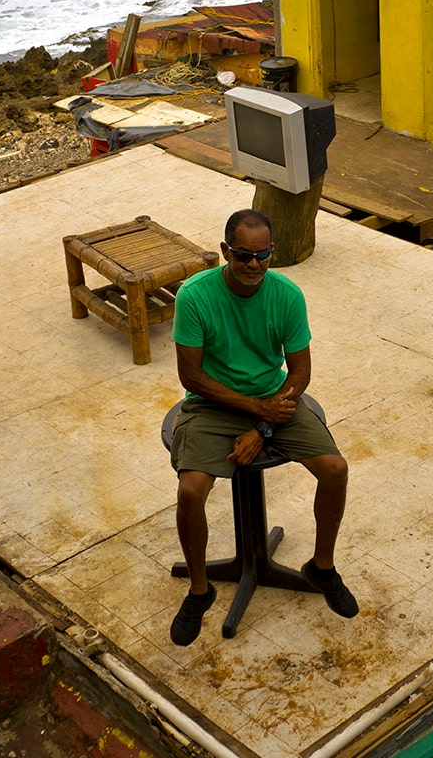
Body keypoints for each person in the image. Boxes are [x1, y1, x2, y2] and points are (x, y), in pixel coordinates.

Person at [167, 208, 356, 645]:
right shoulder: (194, 296)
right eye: (242, 255)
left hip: (275, 401)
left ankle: (321, 567)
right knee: (191, 490)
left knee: (336, 470)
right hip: (212, 402)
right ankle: (200, 591)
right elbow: (191, 377)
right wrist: (256, 409)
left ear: (272, 252)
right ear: (225, 251)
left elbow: (301, 373)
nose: (253, 265)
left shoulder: (287, 295)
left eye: (262, 255)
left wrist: (264, 426)